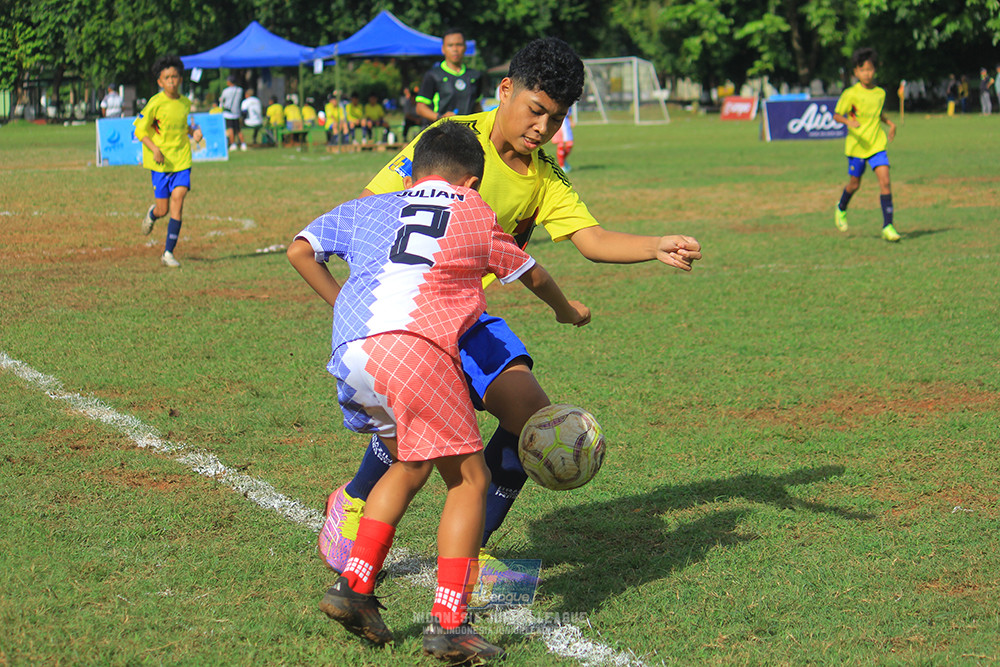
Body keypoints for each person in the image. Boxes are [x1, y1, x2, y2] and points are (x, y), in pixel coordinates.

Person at [316, 37, 702, 579]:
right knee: (410, 440)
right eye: (536, 110)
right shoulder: (449, 139)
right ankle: (353, 502)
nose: (543, 127)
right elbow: (376, 206)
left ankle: (472, 555)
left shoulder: (544, 176)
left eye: (557, 118)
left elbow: (590, 239)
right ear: (506, 90)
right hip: (406, 313)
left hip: (465, 317)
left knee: (533, 422)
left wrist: (653, 244)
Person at [288, 120, 590, 661]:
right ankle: (449, 623)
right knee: (470, 478)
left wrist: (344, 306)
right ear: (471, 182)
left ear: (414, 168)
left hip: (353, 351)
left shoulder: (370, 206)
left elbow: (300, 250)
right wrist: (569, 312)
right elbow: (533, 274)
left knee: (409, 464)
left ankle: (355, 587)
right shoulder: (473, 209)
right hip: (418, 349)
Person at [134, 55, 203, 268]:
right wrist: (154, 149)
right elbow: (139, 130)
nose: (171, 80)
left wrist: (194, 132)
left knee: (179, 198)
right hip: (161, 163)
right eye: (167, 77)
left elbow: (184, 126)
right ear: (160, 82)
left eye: (175, 76)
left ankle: (168, 253)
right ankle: (152, 214)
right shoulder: (155, 103)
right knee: (162, 209)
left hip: (182, 160)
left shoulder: (185, 103)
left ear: (180, 79)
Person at [832, 47, 900, 242]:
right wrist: (848, 122)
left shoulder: (880, 93)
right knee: (854, 184)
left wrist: (890, 123)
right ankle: (841, 208)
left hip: (876, 144)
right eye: (862, 70)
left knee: (885, 181)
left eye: (870, 69)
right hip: (857, 146)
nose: (867, 73)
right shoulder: (850, 93)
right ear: (856, 72)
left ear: (874, 70)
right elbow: (836, 115)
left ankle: (888, 226)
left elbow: (877, 114)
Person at [416, 28, 484, 123]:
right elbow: (420, 107)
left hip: (468, 133)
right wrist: (440, 118)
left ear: (465, 47)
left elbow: (477, 106)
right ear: (443, 49)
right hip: (441, 132)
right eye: (450, 45)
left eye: (459, 45)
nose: (455, 49)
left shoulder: (475, 76)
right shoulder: (433, 75)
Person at [219, 75, 245, 151]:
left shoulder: (225, 91)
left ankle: (233, 143)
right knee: (238, 129)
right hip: (236, 112)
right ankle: (243, 143)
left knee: (230, 129)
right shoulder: (240, 90)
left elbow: (222, 100)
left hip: (228, 112)